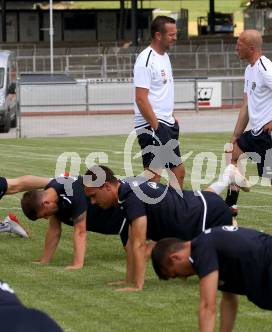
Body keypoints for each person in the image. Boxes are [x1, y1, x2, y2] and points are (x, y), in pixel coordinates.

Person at [83, 164, 249, 292]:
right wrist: (128, 279)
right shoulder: (126, 190)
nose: (92, 202)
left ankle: (234, 226)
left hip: (207, 215)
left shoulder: (132, 197)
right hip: (200, 206)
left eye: (93, 196)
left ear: (106, 187)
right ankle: (228, 180)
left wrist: (137, 285)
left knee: (225, 271)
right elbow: (132, 242)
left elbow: (139, 244)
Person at [225, 29, 272, 240]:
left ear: (251, 48)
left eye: (239, 43)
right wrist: (236, 135)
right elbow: (246, 105)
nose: (236, 47)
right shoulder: (249, 70)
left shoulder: (265, 66)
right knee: (233, 153)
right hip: (257, 132)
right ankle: (231, 204)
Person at [20, 175, 128, 270]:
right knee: (136, 253)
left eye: (44, 215)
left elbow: (80, 231)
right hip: (114, 222)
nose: (46, 218)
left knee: (138, 253)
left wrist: (77, 264)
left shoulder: (71, 194)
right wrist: (45, 260)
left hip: (124, 216)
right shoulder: (51, 192)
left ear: (46, 203)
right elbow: (54, 230)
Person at [133, 15, 185, 189]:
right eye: (171, 34)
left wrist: (171, 118)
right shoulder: (146, 59)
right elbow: (141, 98)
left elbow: (161, 93)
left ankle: (172, 213)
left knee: (178, 173)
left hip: (166, 123)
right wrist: (157, 126)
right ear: (158, 35)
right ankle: (145, 214)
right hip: (153, 126)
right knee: (153, 178)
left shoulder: (165, 57)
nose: (175, 38)